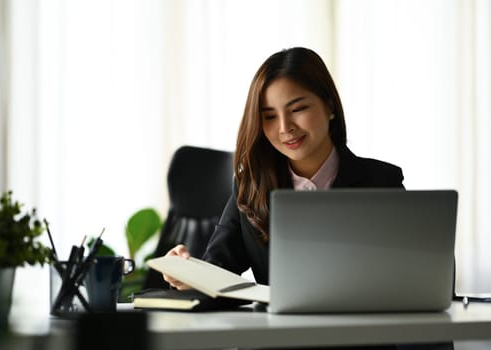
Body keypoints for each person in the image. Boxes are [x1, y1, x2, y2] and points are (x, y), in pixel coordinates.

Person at [162, 47, 452, 350]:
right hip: (279, 345)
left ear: (329, 106)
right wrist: (187, 273)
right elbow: (217, 271)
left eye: (297, 108)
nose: (285, 128)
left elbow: (415, 284)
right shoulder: (250, 187)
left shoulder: (382, 182)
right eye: (269, 116)